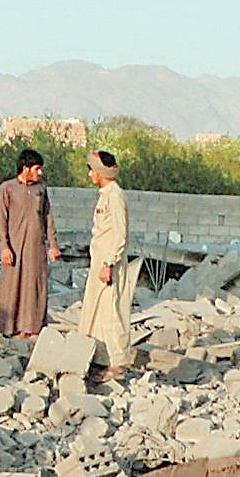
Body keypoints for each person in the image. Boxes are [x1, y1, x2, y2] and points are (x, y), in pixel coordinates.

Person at [75, 150, 138, 379]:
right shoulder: (104, 195)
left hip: (109, 265)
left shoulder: (115, 196)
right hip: (99, 263)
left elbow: (120, 234)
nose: (90, 174)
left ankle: (118, 363)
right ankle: (98, 358)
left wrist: (109, 263)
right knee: (96, 312)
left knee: (113, 313)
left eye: (92, 169)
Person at [0, 150, 59, 340]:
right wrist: (4, 246)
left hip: (36, 245)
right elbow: (2, 220)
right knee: (12, 287)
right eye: (37, 169)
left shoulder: (41, 189)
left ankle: (32, 327)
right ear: (26, 168)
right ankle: (9, 328)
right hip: (14, 246)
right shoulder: (8, 188)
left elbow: (48, 217)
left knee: (35, 286)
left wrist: (53, 245)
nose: (40, 173)